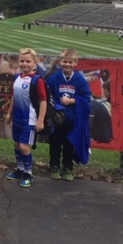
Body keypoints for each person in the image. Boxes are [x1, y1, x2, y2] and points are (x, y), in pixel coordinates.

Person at [46, 49, 92, 181]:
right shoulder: (54, 78)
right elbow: (47, 96)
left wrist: (71, 101)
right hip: (57, 118)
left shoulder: (80, 80)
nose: (67, 64)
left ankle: (67, 167)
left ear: (76, 63)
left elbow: (86, 99)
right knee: (55, 143)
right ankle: (54, 166)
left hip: (72, 120)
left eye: (70, 62)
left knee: (69, 144)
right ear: (60, 62)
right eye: (64, 61)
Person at [4, 48, 47, 188]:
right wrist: (9, 113)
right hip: (17, 118)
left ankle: (28, 173)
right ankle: (20, 169)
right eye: (22, 61)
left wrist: (40, 120)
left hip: (30, 120)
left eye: (28, 61)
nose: (25, 64)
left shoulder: (36, 80)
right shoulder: (17, 77)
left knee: (24, 147)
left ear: (34, 62)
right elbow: (14, 98)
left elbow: (43, 101)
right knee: (17, 145)